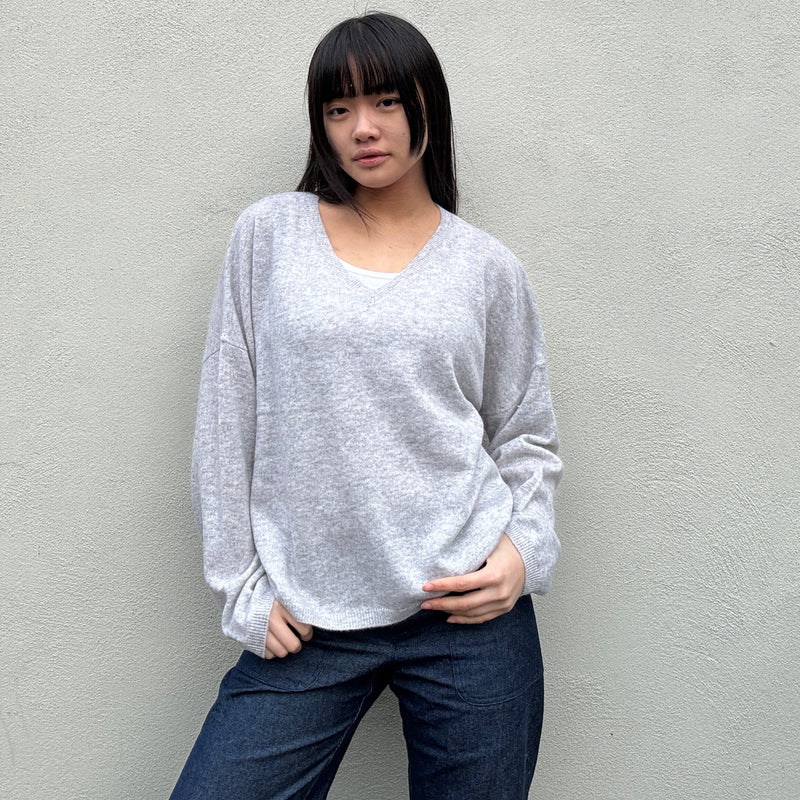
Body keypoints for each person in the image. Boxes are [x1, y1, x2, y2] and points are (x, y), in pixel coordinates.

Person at [171, 12, 562, 800]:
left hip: (465, 618)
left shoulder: (486, 268)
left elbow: (526, 436)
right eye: (338, 108)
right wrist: (241, 589)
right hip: (310, 615)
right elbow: (224, 421)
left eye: (385, 101)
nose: (363, 128)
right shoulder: (269, 236)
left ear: (427, 106)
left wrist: (522, 554)